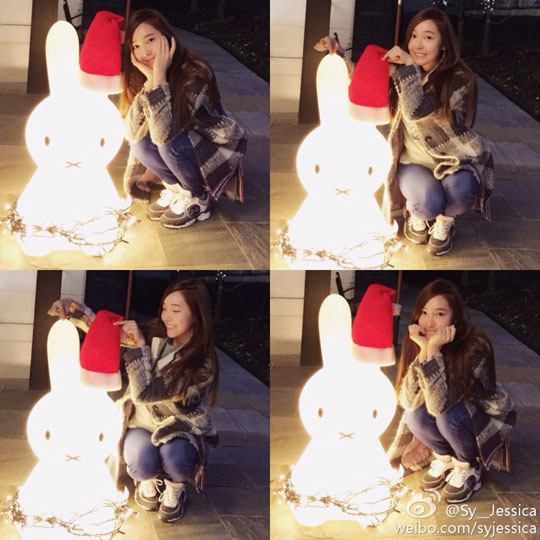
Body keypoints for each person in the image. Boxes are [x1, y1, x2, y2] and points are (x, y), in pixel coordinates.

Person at [315, 8, 495, 256]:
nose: (418, 45)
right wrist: (338, 55)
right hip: (413, 162)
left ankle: (445, 222)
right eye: (414, 36)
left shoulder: (459, 78)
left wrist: (407, 68)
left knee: (462, 190)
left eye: (428, 37)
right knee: (427, 203)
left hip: (453, 161)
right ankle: (419, 216)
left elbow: (416, 111)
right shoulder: (402, 69)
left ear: (444, 44)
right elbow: (363, 80)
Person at [47, 278, 219, 523]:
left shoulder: (202, 363)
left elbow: (144, 393)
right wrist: (73, 310)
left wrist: (138, 347)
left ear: (196, 315)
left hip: (181, 429)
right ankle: (148, 481)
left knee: (177, 459)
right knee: (140, 463)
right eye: (165, 308)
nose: (167, 317)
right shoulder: (155, 332)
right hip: (142, 424)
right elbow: (106, 331)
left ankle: (175, 487)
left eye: (176, 310)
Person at [386, 279, 516, 503]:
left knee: (447, 416)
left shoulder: (474, 346)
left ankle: (469, 466)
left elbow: (440, 406)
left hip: (481, 417)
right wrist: (424, 350)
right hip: (451, 411)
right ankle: (446, 459)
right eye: (424, 312)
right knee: (413, 415)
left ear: (454, 317)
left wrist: (434, 350)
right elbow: (406, 400)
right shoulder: (420, 339)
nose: (429, 322)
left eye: (439, 314)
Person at [119, 9, 247, 229]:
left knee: (168, 144)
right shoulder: (145, 72)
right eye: (136, 46)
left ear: (167, 37)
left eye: (150, 40)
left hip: (211, 146)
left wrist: (159, 78)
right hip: (182, 142)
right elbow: (131, 131)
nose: (145, 51)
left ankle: (199, 198)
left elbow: (165, 135)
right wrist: (150, 80)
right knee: (139, 143)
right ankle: (178, 189)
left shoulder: (195, 71)